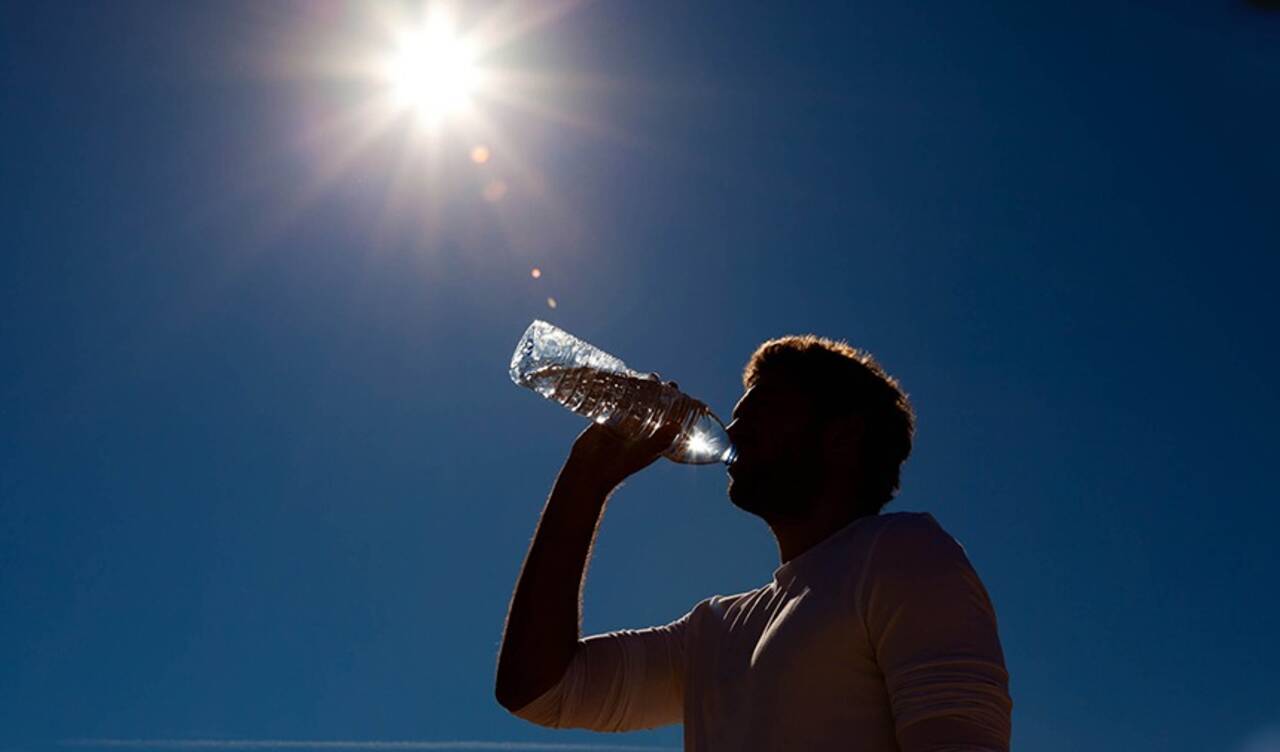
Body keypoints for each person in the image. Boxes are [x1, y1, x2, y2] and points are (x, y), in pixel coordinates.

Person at [494, 335, 1012, 751]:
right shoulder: (714, 631)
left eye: (761, 412)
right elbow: (537, 690)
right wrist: (585, 479)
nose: (734, 427)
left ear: (841, 438)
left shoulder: (904, 552)